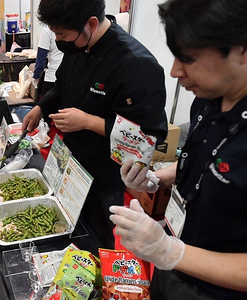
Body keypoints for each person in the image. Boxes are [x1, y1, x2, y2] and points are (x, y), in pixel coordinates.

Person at [110, 0, 247, 299]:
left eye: (189, 58)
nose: (174, 71)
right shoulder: (210, 96)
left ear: (242, 51)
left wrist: (171, 252)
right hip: (174, 261)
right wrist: (158, 177)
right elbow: (207, 163)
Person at [21, 0, 168, 253]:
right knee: (63, 230)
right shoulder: (78, 48)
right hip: (68, 162)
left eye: (61, 35)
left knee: (94, 240)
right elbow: (61, 87)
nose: (58, 41)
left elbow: (147, 136)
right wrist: (41, 108)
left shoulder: (136, 64)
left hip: (103, 175)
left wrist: (89, 122)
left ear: (90, 24)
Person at [33, 25, 63, 100]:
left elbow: (41, 55)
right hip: (70, 79)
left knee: (46, 109)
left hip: (52, 79)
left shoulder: (49, 29)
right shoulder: (73, 27)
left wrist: (37, 75)